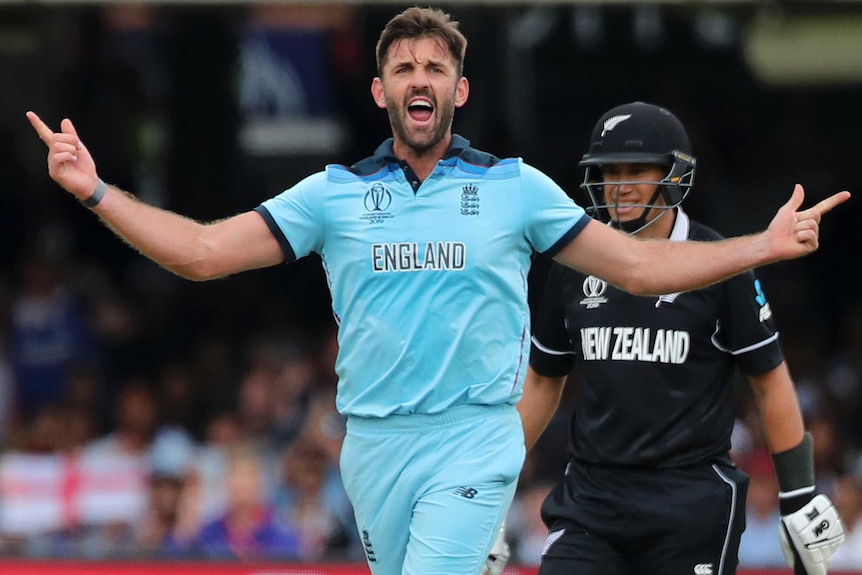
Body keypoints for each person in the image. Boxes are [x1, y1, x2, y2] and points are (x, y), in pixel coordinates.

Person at [27, 7, 848, 574]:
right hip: (373, 449)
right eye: (402, 66)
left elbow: (637, 267)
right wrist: (97, 192)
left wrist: (762, 247)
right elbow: (203, 252)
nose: (420, 77)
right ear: (381, 90)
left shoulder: (517, 188)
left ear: (458, 89)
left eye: (436, 66)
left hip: (473, 440)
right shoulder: (332, 194)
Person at [519, 101, 846, 575]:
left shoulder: (721, 263)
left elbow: (770, 380)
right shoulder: (573, 267)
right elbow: (543, 381)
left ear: (673, 175)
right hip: (592, 499)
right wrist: (490, 486)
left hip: (690, 501)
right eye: (609, 171)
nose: (620, 185)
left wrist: (798, 495)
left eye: (636, 170)